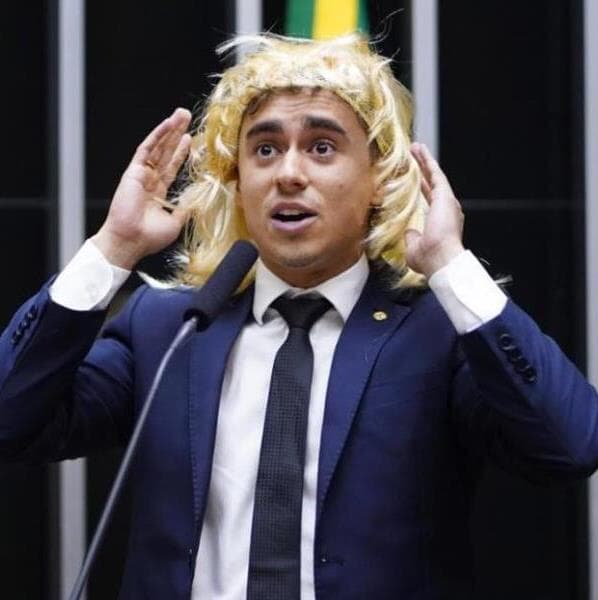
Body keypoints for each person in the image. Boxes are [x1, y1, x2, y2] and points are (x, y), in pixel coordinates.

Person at [1, 33, 597, 599]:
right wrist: (113, 248)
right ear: (239, 182)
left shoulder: (439, 334)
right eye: (264, 149)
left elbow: (569, 447)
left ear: (380, 179)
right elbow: (10, 420)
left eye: (321, 147)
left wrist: (449, 265)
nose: (288, 173)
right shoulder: (168, 327)